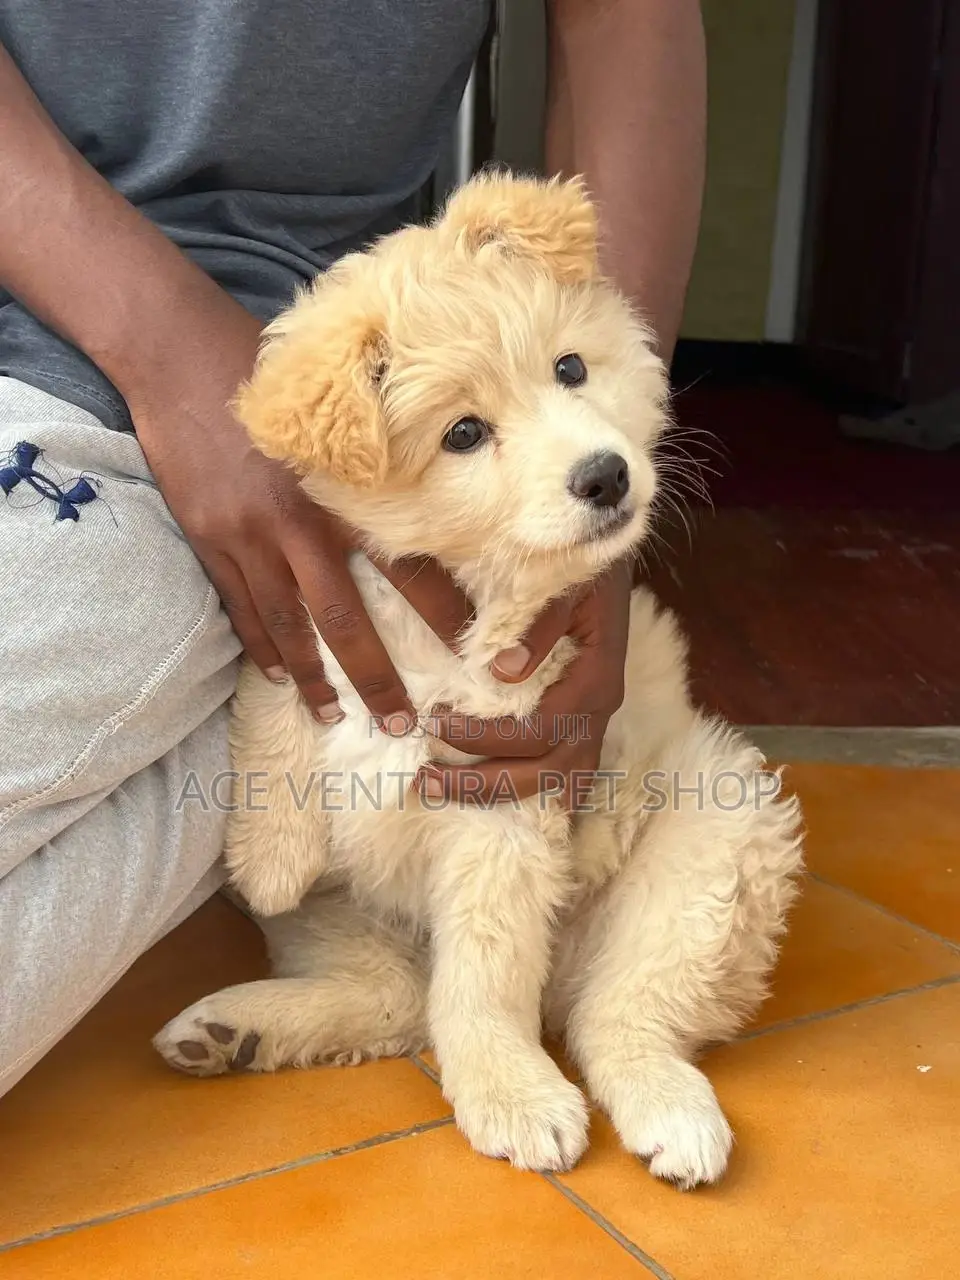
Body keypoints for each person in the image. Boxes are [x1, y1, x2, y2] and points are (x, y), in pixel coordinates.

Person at [0, 0, 706, 1096]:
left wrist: (587, 526)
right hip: (116, 344)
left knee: (360, 741)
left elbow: (629, 21)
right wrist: (169, 347)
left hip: (302, 421)